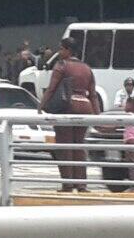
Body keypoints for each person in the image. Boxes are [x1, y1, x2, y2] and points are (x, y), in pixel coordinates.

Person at [38, 37, 100, 193]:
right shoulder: (87, 68)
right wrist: (98, 115)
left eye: (61, 49)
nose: (59, 52)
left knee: (64, 147)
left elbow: (52, 88)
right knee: (79, 146)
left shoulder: (61, 65)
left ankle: (67, 184)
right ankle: (81, 185)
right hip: (85, 107)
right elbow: (92, 94)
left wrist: (41, 105)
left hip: (67, 107)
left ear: (67, 50)